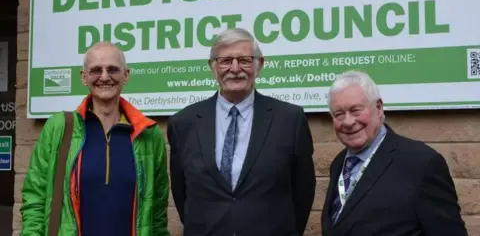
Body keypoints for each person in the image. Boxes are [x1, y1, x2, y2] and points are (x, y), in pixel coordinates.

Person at [167, 28, 316, 236]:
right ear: (213, 67)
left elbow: (303, 191)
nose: (235, 68)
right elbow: (182, 192)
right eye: (226, 61)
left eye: (244, 60)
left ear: (259, 65)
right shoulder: (184, 123)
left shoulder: (290, 120)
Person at [21, 42, 170, 235]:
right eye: (96, 70)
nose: (105, 77)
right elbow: (35, 198)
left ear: (126, 75)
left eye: (113, 69)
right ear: (84, 77)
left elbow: (157, 212)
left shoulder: (148, 134)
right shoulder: (60, 128)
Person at [321, 70, 468, 236]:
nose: (348, 122)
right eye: (339, 114)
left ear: (378, 108)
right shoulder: (339, 164)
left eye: (355, 110)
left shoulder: (421, 163)